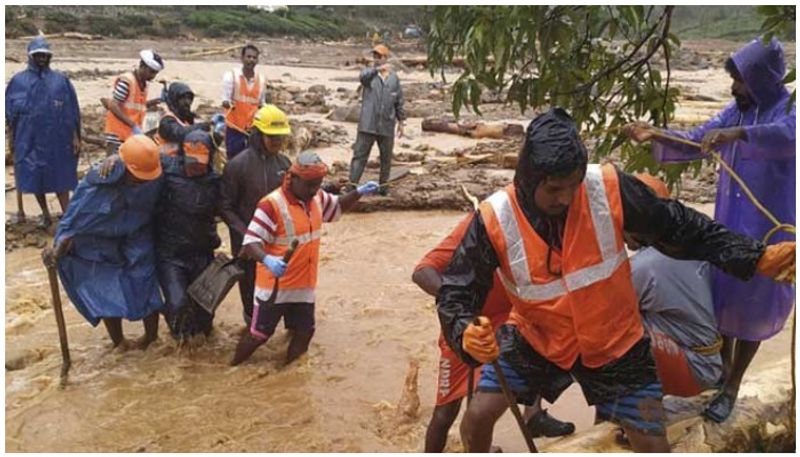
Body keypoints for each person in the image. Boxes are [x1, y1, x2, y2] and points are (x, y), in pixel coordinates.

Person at [438, 108, 794, 452]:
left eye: (572, 187)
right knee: (476, 419)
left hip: (616, 340)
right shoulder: (494, 217)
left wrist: (755, 256)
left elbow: (683, 226)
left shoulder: (606, 188)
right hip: (537, 335)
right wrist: (465, 330)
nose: (565, 198)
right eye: (554, 189)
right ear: (530, 178)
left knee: (652, 441)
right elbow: (456, 289)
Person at [623, 37, 795, 424]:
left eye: (742, 82)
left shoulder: (790, 110)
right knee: (726, 299)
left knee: (755, 303)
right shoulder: (736, 110)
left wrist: (741, 136)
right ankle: (720, 376)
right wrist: (657, 134)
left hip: (769, 229)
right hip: (730, 221)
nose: (735, 89)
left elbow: (788, 137)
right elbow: (701, 137)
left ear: (763, 80)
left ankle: (732, 387)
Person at [413, 213, 575, 453]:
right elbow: (422, 272)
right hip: (466, 325)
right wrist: (459, 307)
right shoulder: (480, 224)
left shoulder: (545, 223)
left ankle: (532, 416)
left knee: (538, 347)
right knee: (446, 411)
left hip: (509, 321)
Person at [230, 151, 380, 366]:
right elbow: (250, 242)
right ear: (294, 179)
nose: (313, 190)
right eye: (310, 185)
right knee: (259, 335)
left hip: (304, 285)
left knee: (305, 332)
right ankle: (232, 367)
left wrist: (358, 193)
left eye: (318, 184)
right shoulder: (271, 204)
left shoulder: (316, 197)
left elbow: (336, 207)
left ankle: (289, 375)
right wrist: (267, 260)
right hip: (275, 286)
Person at [43, 135, 164, 350]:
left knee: (144, 279)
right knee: (103, 285)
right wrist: (60, 246)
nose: (141, 181)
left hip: (136, 231)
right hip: (99, 237)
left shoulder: (155, 171)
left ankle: (151, 339)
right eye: (137, 177)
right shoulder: (101, 177)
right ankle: (119, 342)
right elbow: (76, 216)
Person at [627, 174, 724, 399]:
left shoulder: (644, 266)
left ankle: (632, 411)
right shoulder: (694, 242)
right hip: (711, 360)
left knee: (613, 330)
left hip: (691, 368)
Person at [221, 104, 292, 326]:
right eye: (272, 138)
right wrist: (247, 237)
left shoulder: (284, 164)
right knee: (251, 292)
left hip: (276, 242)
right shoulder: (237, 165)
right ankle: (251, 330)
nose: (278, 143)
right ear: (258, 135)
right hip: (247, 246)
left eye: (281, 138)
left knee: (279, 290)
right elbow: (225, 208)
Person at [5, 36, 81, 227]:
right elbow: (10, 114)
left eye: (44, 55)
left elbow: (72, 110)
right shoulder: (18, 82)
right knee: (34, 178)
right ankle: (45, 214)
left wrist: (75, 136)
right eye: (37, 55)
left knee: (61, 178)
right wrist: (12, 141)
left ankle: (69, 218)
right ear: (31, 56)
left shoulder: (61, 81)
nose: (41, 58)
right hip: (29, 139)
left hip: (58, 138)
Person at [154, 130, 221, 341]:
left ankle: (201, 357)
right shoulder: (166, 168)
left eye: (201, 162)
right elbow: (135, 156)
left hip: (202, 252)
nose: (196, 166)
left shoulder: (216, 181)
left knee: (205, 312)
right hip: (171, 254)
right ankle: (180, 349)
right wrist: (112, 159)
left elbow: (229, 208)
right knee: (177, 304)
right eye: (192, 161)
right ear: (183, 155)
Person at [349, 44, 406, 195]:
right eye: (374, 56)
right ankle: (351, 185)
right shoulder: (369, 75)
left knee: (386, 158)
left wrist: (401, 122)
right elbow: (362, 78)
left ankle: (384, 187)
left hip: (387, 125)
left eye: (379, 56)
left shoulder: (394, 79)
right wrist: (376, 70)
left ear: (386, 58)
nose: (376, 59)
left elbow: (398, 100)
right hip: (368, 124)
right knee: (359, 156)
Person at [103, 49, 164, 155]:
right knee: (114, 166)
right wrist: (133, 125)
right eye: (151, 72)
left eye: (155, 73)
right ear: (142, 66)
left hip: (131, 134)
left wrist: (152, 102)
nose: (153, 76)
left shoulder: (143, 85)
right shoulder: (127, 82)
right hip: (117, 133)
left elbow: (135, 106)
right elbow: (113, 105)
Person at [222, 44, 266, 159]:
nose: (251, 60)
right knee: (233, 160)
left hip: (253, 130)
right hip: (234, 128)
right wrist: (226, 103)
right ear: (242, 58)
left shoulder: (261, 80)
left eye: (254, 57)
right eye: (248, 57)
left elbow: (262, 104)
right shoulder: (231, 76)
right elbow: (225, 100)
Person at [154, 82, 210, 156]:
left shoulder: (185, 119)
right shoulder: (166, 121)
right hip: (165, 161)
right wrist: (201, 126)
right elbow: (180, 134)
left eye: (189, 98)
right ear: (175, 99)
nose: (187, 102)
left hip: (178, 160)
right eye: (183, 98)